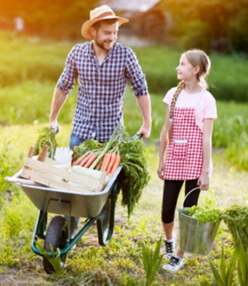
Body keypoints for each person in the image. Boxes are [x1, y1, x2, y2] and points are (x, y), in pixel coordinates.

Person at [48, 5, 151, 238]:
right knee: (73, 180)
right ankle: (70, 227)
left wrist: (147, 123)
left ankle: (104, 214)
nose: (112, 37)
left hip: (110, 134)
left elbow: (140, 89)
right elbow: (63, 86)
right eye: (107, 32)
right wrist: (52, 118)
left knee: (106, 184)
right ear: (93, 31)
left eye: (115, 32)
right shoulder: (77, 53)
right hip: (81, 131)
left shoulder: (126, 55)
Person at [157, 49, 216, 272]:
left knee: (188, 211)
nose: (178, 67)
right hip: (174, 158)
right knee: (166, 210)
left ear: (195, 69)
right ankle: (169, 240)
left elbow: (207, 138)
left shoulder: (206, 99)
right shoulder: (174, 93)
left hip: (195, 161)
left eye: (182, 64)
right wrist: (161, 159)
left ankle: (179, 256)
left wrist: (205, 171)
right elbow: (165, 129)